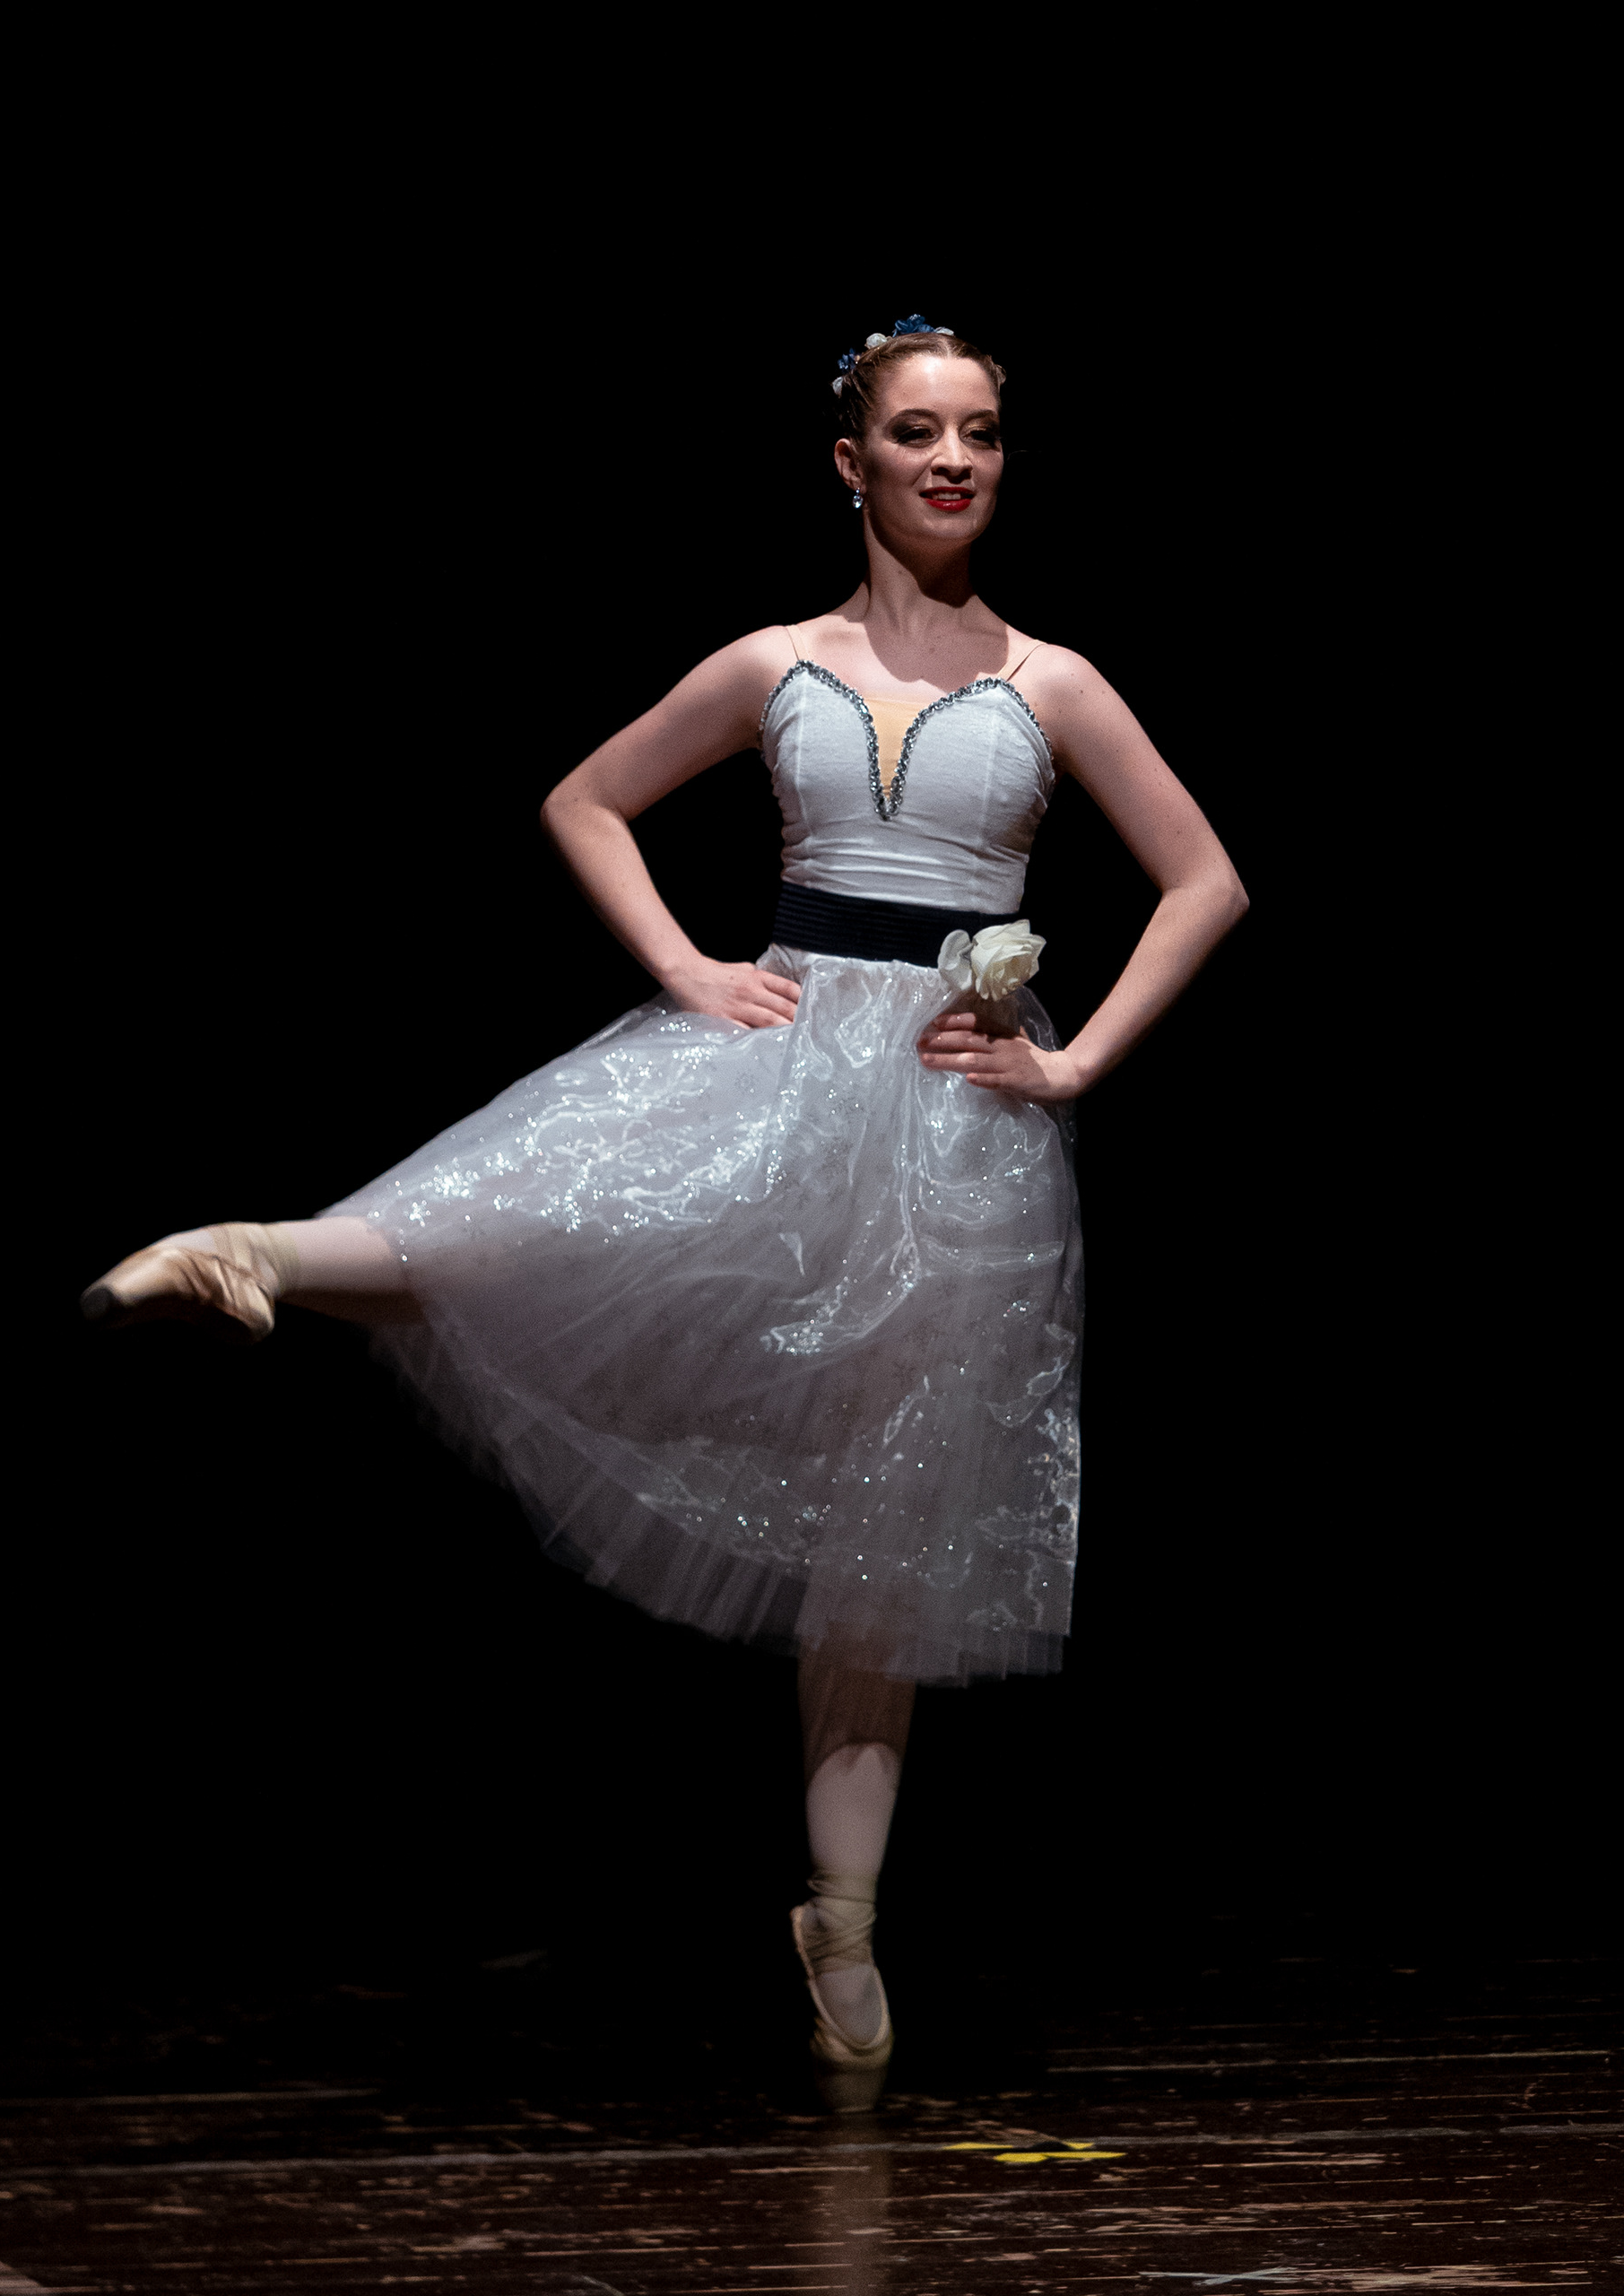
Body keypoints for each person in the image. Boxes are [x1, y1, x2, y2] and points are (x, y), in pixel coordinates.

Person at [82, 316, 1247, 2111]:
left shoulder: (1056, 681)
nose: (954, 459)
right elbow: (588, 798)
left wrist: (1076, 1059)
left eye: (982, 433)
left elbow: (1206, 876)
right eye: (917, 431)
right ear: (849, 462)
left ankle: (841, 1921)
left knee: (884, 1538)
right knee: (549, 1216)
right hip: (778, 1055)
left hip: (952, 1128)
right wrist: (690, 966)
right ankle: (261, 1250)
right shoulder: (775, 661)